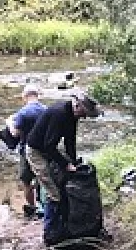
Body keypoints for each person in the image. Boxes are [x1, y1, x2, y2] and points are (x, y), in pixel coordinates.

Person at [25, 92, 101, 240]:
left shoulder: (72, 115)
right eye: (84, 113)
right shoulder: (59, 114)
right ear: (77, 106)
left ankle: (63, 225)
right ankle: (50, 235)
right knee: (54, 194)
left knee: (62, 185)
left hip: (47, 150)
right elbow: (49, 145)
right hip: (36, 152)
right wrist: (65, 164)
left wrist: (73, 162)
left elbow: (69, 141)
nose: (84, 117)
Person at [6, 84, 46, 218]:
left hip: (26, 151)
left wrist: (10, 122)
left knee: (26, 180)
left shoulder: (22, 113)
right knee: (43, 178)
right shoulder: (46, 110)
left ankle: (32, 207)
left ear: (24, 97)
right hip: (45, 150)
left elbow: (15, 134)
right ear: (38, 95)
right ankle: (44, 206)